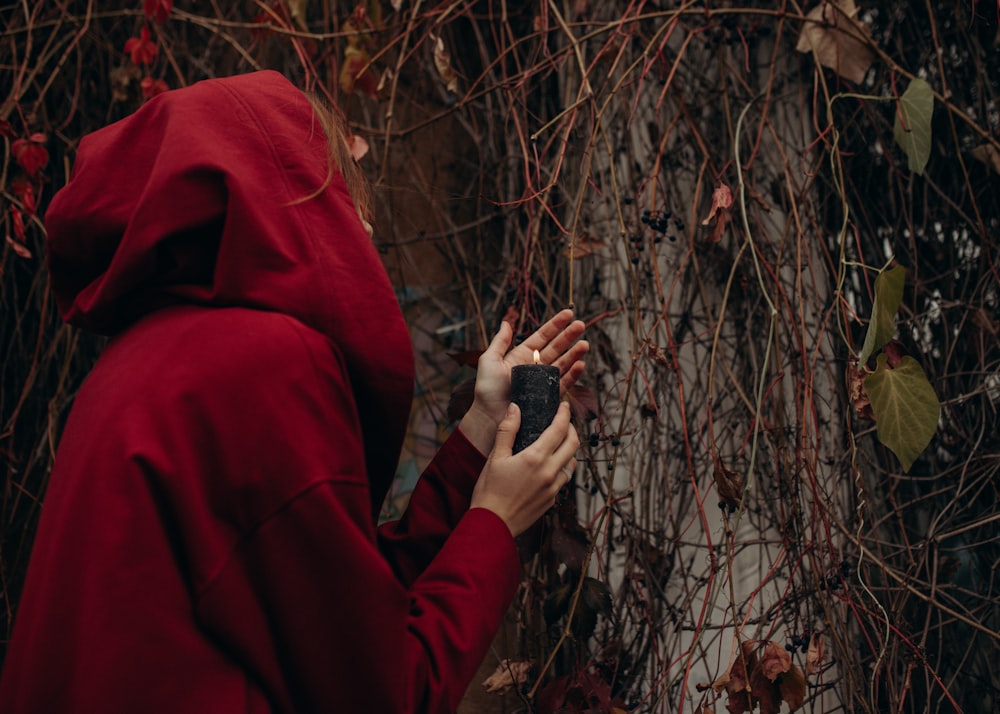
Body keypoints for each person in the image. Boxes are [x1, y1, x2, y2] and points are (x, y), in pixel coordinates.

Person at [0, 70, 588, 713]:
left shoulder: (141, 367)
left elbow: (328, 628)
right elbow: (385, 692)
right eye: (340, 185)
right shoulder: (269, 366)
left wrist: (477, 439)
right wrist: (495, 525)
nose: (364, 223)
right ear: (283, 189)